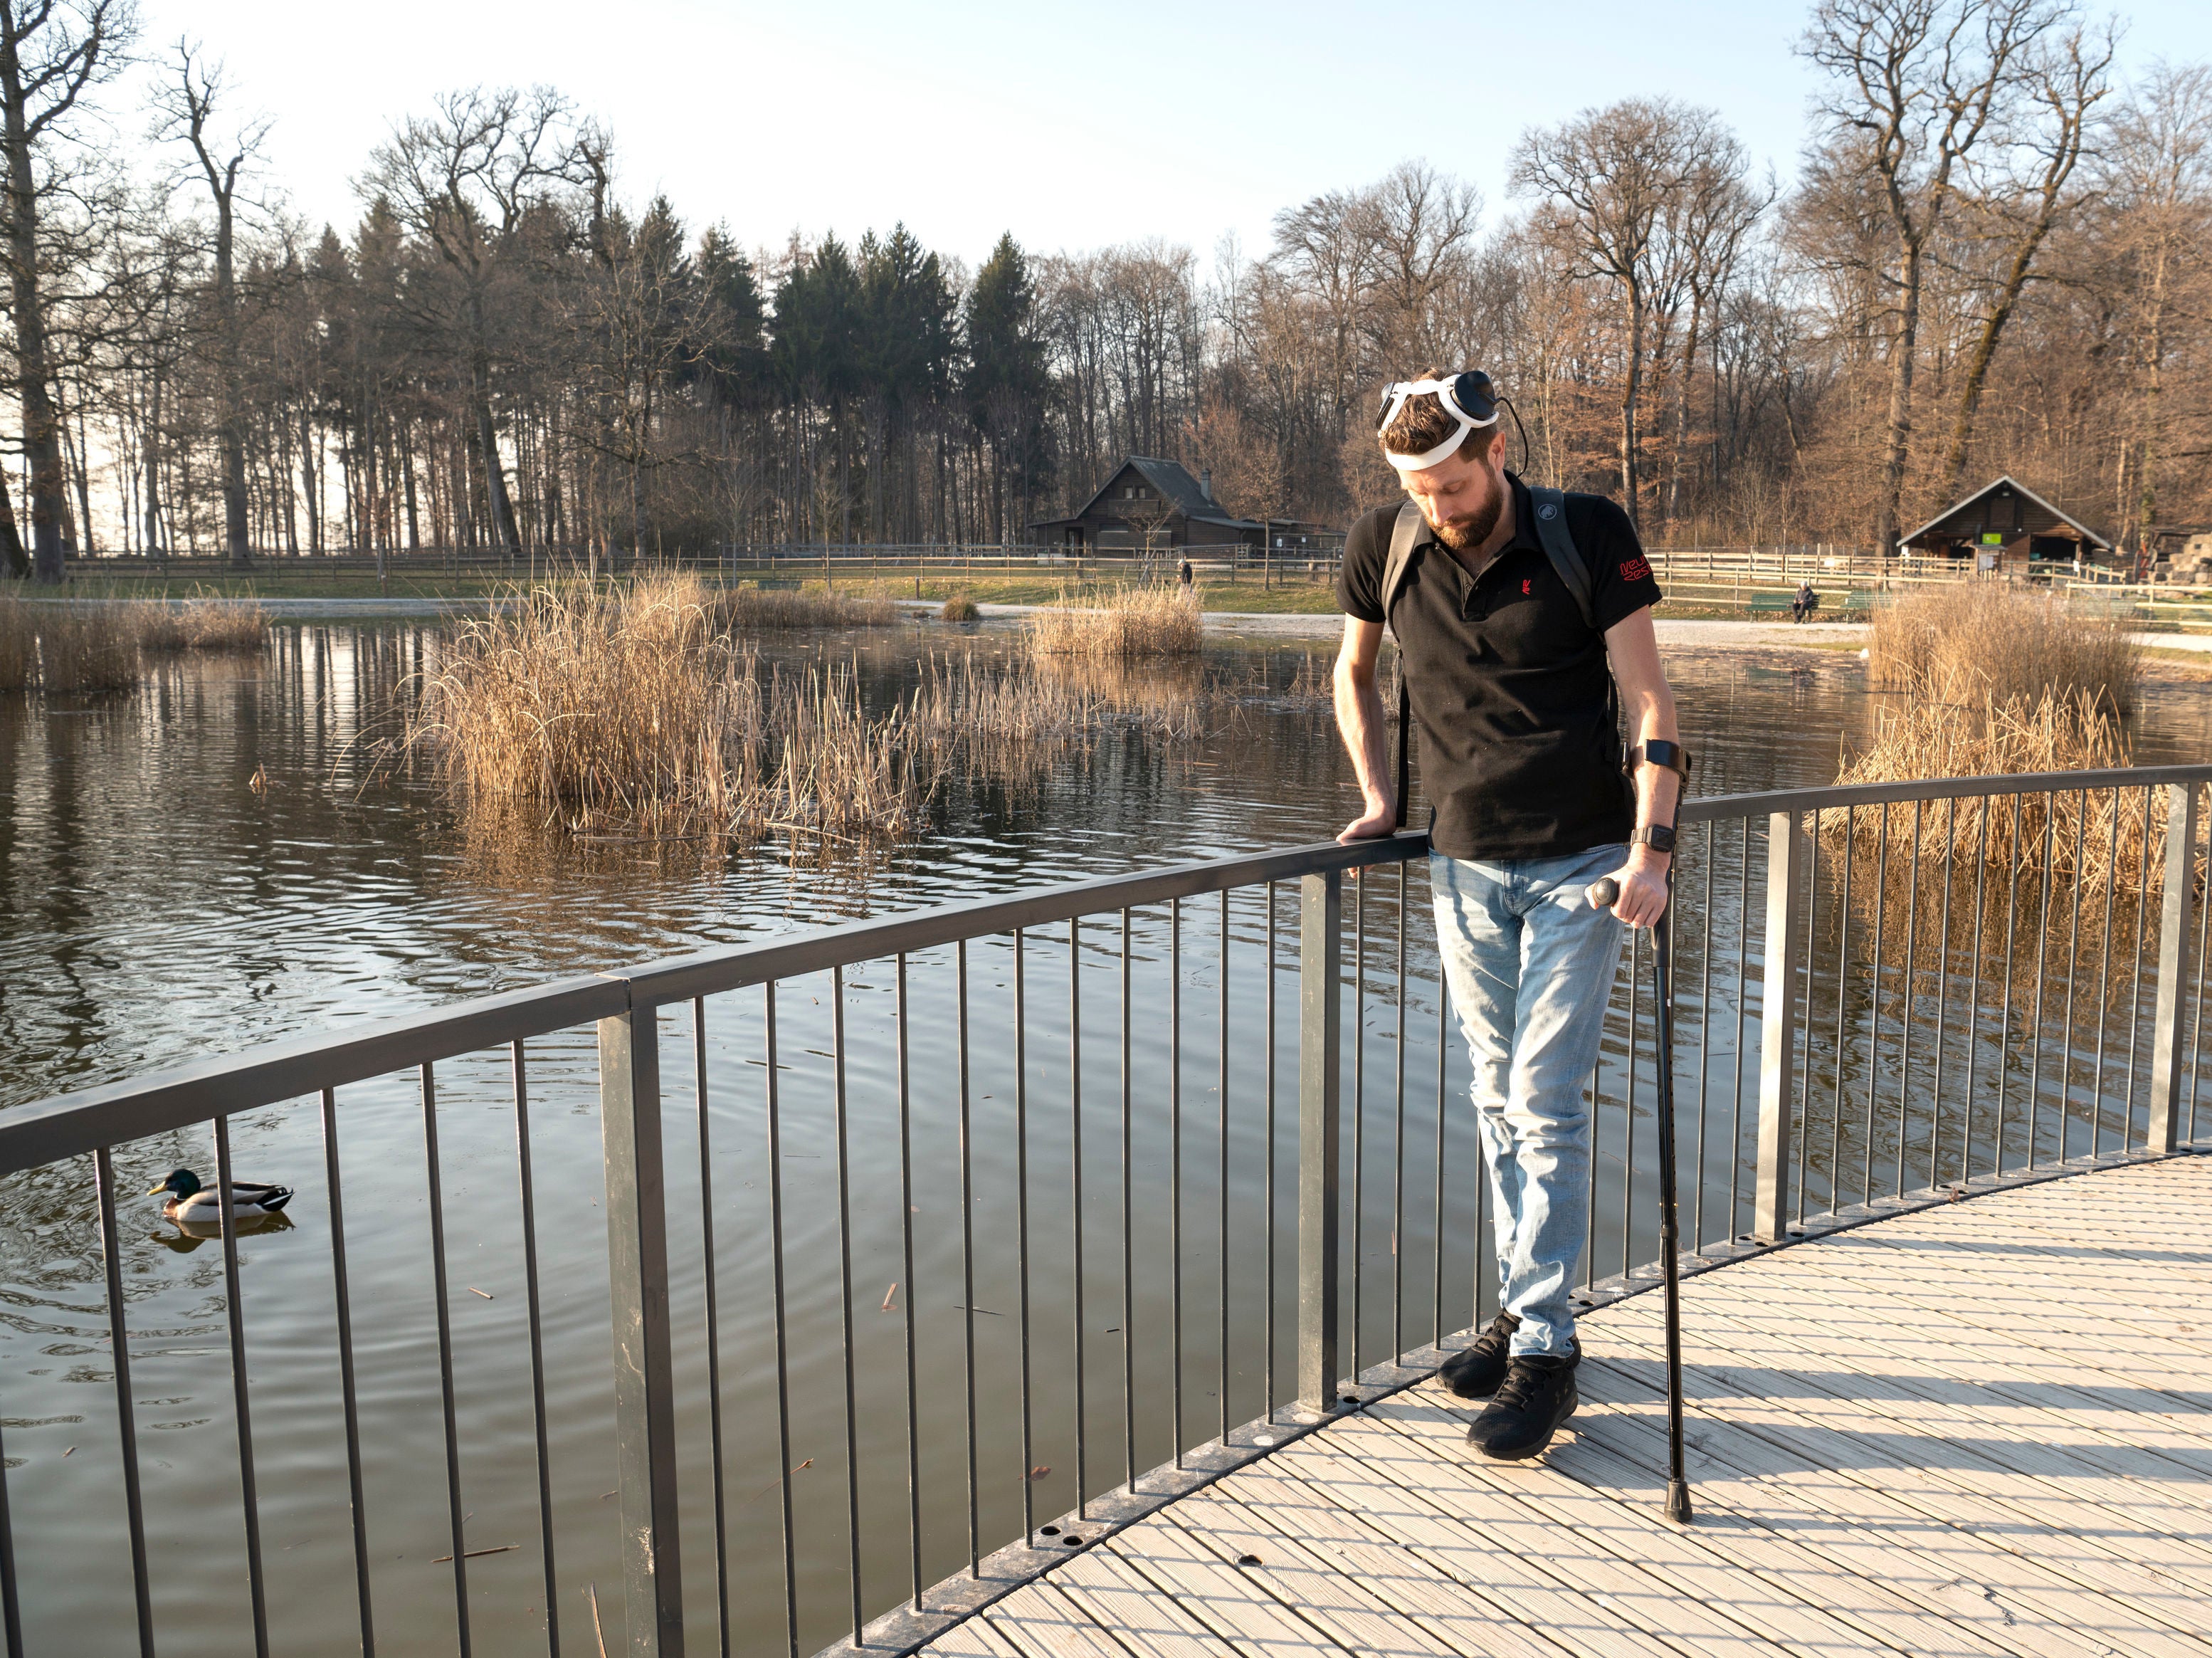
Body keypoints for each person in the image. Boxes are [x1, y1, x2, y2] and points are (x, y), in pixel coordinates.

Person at [1332, 369, 1682, 1462]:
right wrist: (1382, 799)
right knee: (1495, 1095)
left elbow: (1655, 704)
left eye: (1452, 483)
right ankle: (1521, 1309)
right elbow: (1350, 673)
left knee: (1543, 1096)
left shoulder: (1585, 531)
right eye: (1420, 490)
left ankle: (1547, 1349)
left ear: (1494, 453)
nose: (1438, 506)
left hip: (1583, 864)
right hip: (1463, 866)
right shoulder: (1384, 546)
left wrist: (1651, 854)